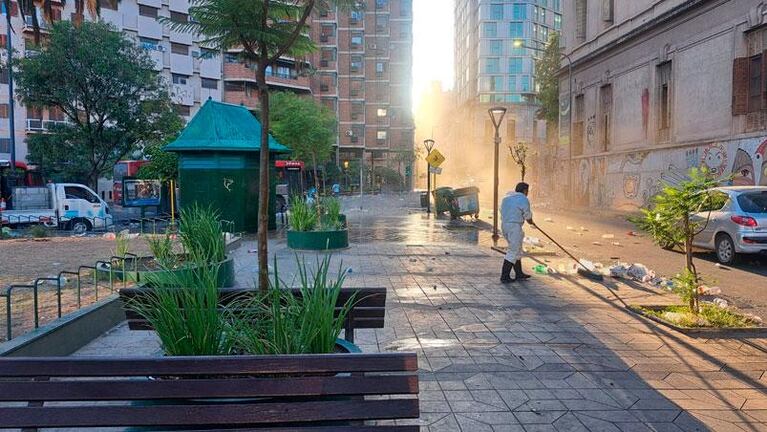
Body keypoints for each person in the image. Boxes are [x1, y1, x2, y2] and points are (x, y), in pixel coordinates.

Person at [500, 182, 535, 283]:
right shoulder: (523, 199)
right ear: (525, 191)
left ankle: (519, 273)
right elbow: (527, 215)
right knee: (513, 250)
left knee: (517, 250)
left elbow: (501, 210)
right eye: (527, 191)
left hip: (505, 225)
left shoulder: (506, 198)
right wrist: (531, 222)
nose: (527, 193)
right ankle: (504, 276)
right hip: (514, 227)